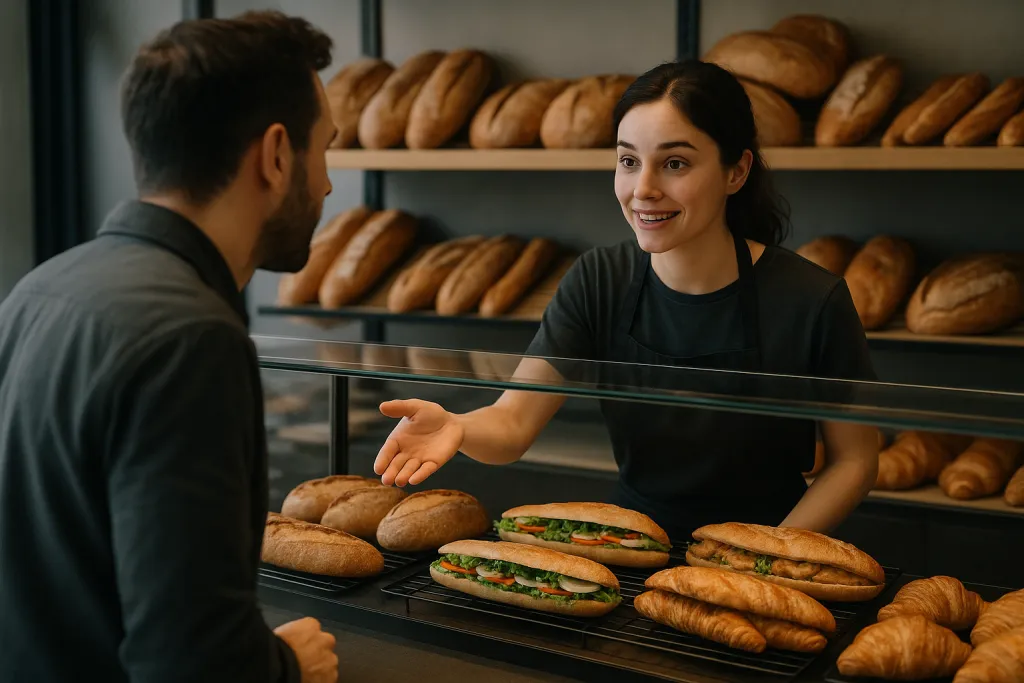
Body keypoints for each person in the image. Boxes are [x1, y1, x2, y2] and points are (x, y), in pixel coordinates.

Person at [373, 60, 880, 541]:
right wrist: (457, 426)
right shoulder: (599, 280)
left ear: (736, 171)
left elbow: (855, 461)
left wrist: (766, 557)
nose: (644, 189)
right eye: (629, 161)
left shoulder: (812, 298)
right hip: (634, 543)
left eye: (675, 163)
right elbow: (512, 423)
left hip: (773, 548)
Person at [0, 11, 340, 683]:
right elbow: (191, 661)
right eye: (323, 148)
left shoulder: (39, 288)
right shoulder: (193, 338)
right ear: (275, 155)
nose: (328, 182)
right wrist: (284, 665)